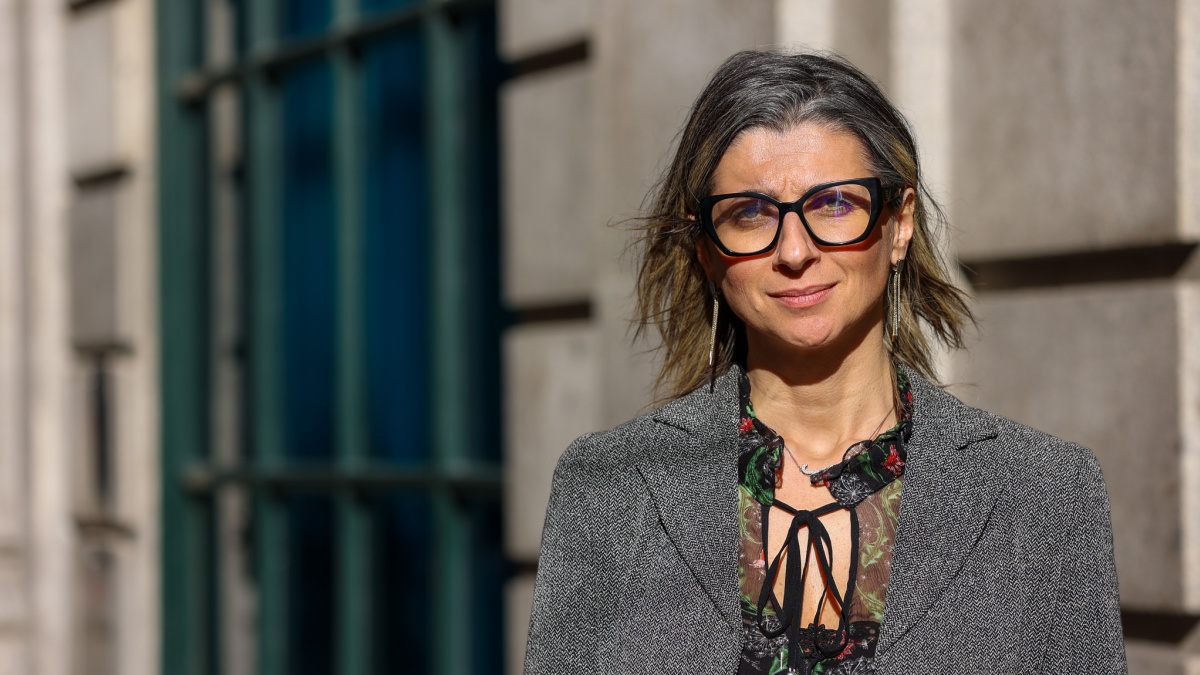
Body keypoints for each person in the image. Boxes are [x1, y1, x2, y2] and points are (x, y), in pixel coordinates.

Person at [523, 50, 1127, 675]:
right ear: (706, 250)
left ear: (899, 224)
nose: (794, 250)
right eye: (749, 213)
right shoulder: (609, 488)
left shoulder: (1044, 495)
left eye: (834, 204)